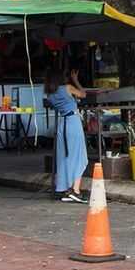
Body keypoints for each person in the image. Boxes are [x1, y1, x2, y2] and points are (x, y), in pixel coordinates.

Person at [44, 65, 90, 202]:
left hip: (62, 124)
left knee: (63, 156)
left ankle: (63, 188)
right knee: (79, 155)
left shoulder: (50, 95)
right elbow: (83, 94)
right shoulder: (68, 88)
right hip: (73, 122)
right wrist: (75, 80)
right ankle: (75, 190)